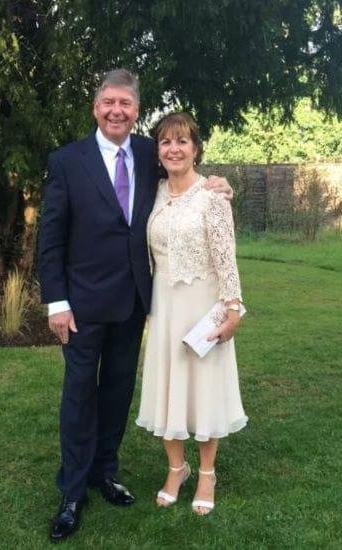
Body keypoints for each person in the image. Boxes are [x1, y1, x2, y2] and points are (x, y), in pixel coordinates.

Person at [38, 70, 232, 541]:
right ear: (95, 108)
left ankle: (105, 472)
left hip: (133, 304)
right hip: (82, 306)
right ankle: (72, 492)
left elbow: (187, 180)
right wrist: (56, 302)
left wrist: (221, 185)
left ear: (136, 110)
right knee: (79, 395)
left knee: (117, 392)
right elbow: (51, 237)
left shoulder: (150, 152)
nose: (116, 110)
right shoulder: (67, 161)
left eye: (125, 103)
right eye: (108, 102)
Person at [136, 112, 248, 516]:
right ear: (158, 151)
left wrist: (233, 309)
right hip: (163, 305)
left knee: (204, 389)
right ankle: (176, 469)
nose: (174, 149)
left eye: (182, 141)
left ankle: (206, 474)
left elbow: (226, 258)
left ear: (196, 149)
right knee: (168, 387)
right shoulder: (151, 193)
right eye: (166, 142)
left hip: (203, 305)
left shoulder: (213, 196)